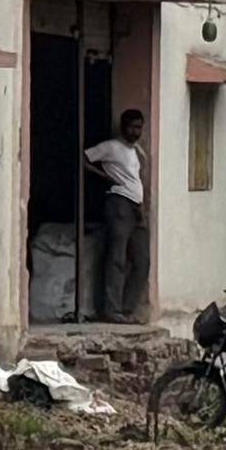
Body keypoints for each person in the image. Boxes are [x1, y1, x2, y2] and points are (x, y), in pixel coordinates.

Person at [83, 110, 149, 323]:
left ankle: (127, 309)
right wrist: (105, 177)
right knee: (117, 259)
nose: (136, 132)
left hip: (136, 207)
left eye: (139, 127)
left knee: (142, 261)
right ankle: (112, 310)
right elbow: (84, 158)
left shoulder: (136, 150)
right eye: (132, 127)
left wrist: (142, 206)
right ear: (123, 127)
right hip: (119, 203)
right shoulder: (111, 147)